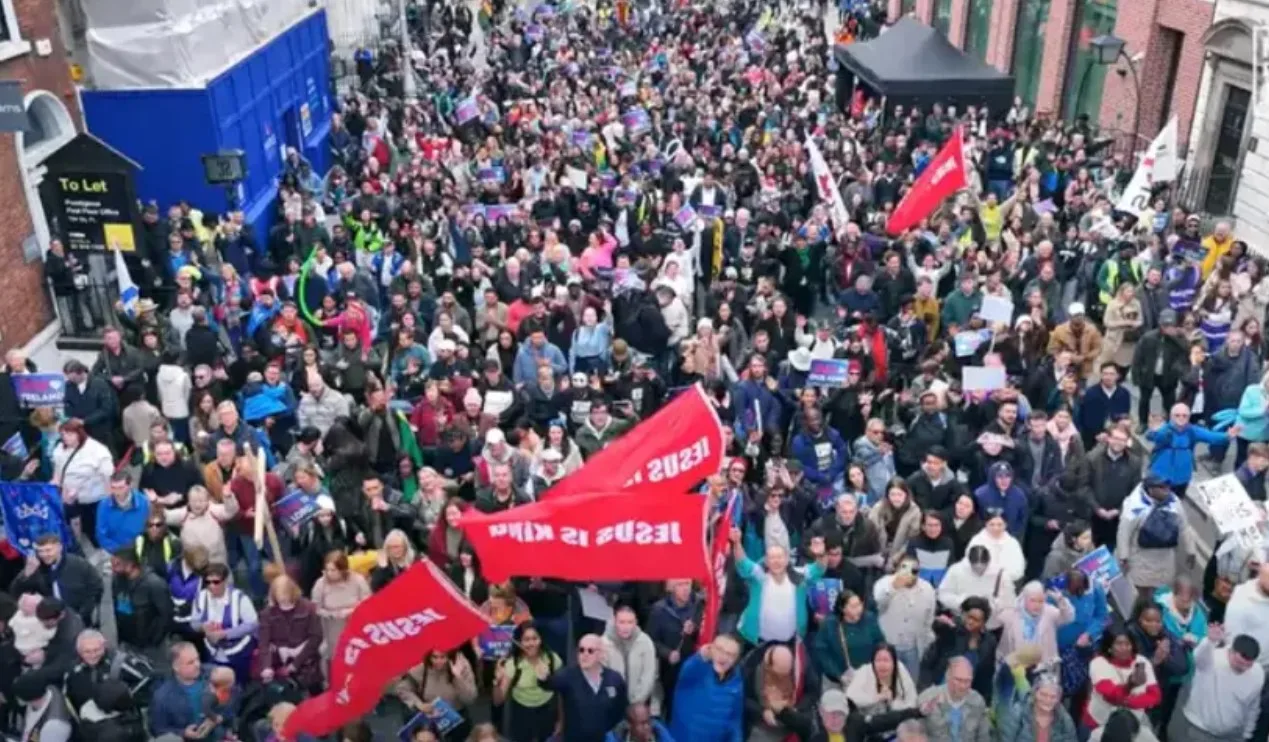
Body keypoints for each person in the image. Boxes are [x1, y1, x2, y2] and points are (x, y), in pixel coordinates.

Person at [1168, 623, 1263, 742]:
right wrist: (1209, 641)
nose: (1243, 668)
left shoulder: (1258, 672)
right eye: (1239, 662)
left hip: (1232, 737)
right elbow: (1199, 657)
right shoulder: (1212, 659)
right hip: (1199, 731)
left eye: (1248, 665)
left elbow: (1253, 706)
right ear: (1231, 651)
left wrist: (1247, 734)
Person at [1116, 474, 1195, 604]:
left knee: (1161, 596)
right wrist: (1123, 557)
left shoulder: (1174, 503)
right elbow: (1124, 533)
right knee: (1140, 596)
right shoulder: (1134, 506)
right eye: (1162, 487)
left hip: (1165, 559)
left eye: (1168, 487)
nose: (1167, 490)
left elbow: (1184, 527)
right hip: (1141, 559)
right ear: (1151, 489)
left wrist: (1190, 550)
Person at [544, 633, 628, 742]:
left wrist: (605, 727)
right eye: (581, 650)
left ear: (601, 654)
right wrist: (543, 679)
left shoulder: (614, 678)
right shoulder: (568, 676)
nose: (585, 654)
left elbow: (620, 707)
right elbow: (550, 684)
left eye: (590, 651)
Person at [10, 533, 103, 626]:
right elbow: (15, 592)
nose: (44, 555)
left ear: (59, 547)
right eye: (40, 551)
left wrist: (83, 613)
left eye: (48, 550)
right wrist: (26, 575)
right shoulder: (35, 568)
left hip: (76, 616)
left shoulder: (78, 564)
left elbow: (96, 587)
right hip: (47, 619)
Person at [1086, 626, 1162, 738]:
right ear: (1109, 647)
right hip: (1099, 722)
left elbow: (1155, 696)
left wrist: (1126, 702)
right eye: (1119, 644)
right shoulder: (1098, 663)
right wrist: (1130, 685)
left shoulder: (1142, 661)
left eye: (1128, 644)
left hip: (1132, 726)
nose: (1124, 648)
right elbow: (1111, 696)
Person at [492, 621, 562, 742]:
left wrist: (561, 721)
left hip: (547, 710)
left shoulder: (552, 659)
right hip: (521, 712)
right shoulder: (512, 665)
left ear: (541, 639)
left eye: (535, 638)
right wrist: (497, 682)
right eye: (526, 639)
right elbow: (498, 701)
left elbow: (562, 693)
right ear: (519, 642)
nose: (531, 644)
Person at [190, 562, 258, 682]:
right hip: (212, 652)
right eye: (208, 582)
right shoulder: (200, 597)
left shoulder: (240, 598)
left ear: (225, 581)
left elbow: (252, 624)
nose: (211, 586)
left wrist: (225, 634)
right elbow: (194, 621)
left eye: (216, 582)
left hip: (238, 653)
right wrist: (202, 627)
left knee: (239, 684)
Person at [669, 634, 745, 742]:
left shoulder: (737, 683)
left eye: (730, 654)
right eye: (719, 649)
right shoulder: (696, 671)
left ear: (736, 659)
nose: (723, 657)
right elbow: (688, 669)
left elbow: (735, 722)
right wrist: (701, 656)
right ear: (711, 648)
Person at [255, 574, 323, 694]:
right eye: (279, 596)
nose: (282, 599)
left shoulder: (308, 608)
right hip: (280, 660)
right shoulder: (267, 613)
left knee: (315, 691)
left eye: (285, 595)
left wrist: (295, 664)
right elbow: (264, 643)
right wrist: (266, 667)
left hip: (306, 660)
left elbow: (315, 637)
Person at [109, 546, 175, 664]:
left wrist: (154, 640)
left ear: (130, 565)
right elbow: (116, 607)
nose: (112, 568)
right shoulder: (117, 580)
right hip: (127, 642)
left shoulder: (155, 584)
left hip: (150, 646)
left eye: (117, 564)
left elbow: (167, 615)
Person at [873, 554, 936, 676]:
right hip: (888, 647)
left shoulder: (928, 589)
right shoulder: (883, 584)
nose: (910, 574)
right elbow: (878, 604)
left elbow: (929, 619)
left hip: (914, 649)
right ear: (897, 569)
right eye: (905, 568)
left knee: (910, 687)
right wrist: (893, 588)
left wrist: (926, 641)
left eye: (914, 570)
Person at [811, 589, 885, 691]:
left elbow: (880, 643)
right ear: (843, 609)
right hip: (837, 682)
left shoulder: (869, 619)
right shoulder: (830, 624)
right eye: (853, 606)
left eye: (860, 604)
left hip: (867, 678)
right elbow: (822, 653)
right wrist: (838, 675)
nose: (859, 609)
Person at [916, 656, 992, 742]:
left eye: (967, 681)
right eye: (958, 680)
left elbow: (983, 737)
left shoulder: (978, 702)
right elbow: (916, 735)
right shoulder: (927, 698)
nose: (963, 686)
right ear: (948, 676)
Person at [602, 604, 660, 714]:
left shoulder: (645, 642)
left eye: (630, 622)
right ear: (615, 622)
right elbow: (602, 677)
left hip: (638, 705)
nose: (626, 626)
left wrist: (636, 702)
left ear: (635, 622)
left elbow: (649, 675)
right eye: (622, 622)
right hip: (611, 705)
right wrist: (613, 701)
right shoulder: (604, 644)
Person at [150, 642, 212, 741]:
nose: (197, 664)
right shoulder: (162, 697)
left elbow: (232, 699)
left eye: (197, 659)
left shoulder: (213, 675)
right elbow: (158, 730)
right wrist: (183, 733)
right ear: (176, 667)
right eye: (190, 662)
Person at [997, 677, 1079, 742]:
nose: (1047, 700)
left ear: (1058, 699)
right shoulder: (1018, 712)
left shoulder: (1064, 719)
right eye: (1043, 694)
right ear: (1034, 693)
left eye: (1053, 697)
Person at [604, 703, 675, 742]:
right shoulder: (615, 738)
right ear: (629, 725)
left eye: (648, 721)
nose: (647, 727)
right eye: (642, 723)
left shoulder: (661, 735)